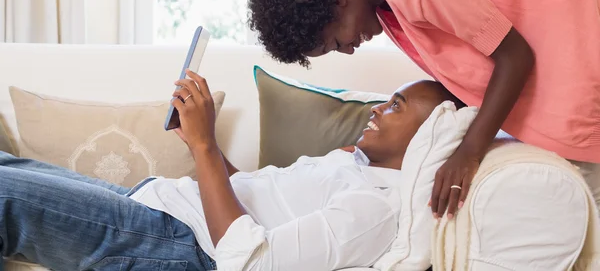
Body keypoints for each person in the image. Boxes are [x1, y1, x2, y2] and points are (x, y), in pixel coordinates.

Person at [246, 0, 600, 218]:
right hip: (565, 36)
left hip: (579, 22)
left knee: (580, 200)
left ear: (335, 3)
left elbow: (514, 55)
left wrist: (468, 152)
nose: (349, 51)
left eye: (335, 42)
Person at [0, 71, 462, 271]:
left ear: (427, 136)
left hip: (177, 245)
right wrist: (208, 146)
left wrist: (203, 149)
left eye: (396, 106)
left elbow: (251, 261)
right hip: (156, 208)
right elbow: (252, 195)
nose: (378, 109)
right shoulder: (353, 164)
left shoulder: (374, 207)